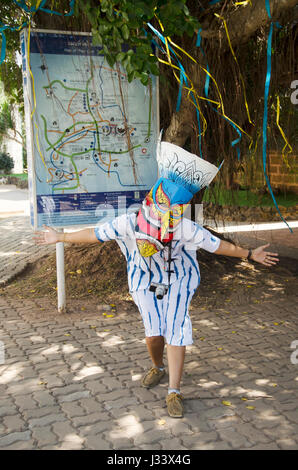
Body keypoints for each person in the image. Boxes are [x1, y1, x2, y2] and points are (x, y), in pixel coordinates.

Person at [33, 140, 279, 418]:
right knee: (154, 333)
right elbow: (96, 233)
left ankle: (174, 390)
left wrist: (249, 254)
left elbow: (217, 245)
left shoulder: (185, 228)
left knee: (176, 328)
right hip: (142, 280)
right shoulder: (128, 221)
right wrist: (61, 237)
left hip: (178, 280)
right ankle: (158, 366)